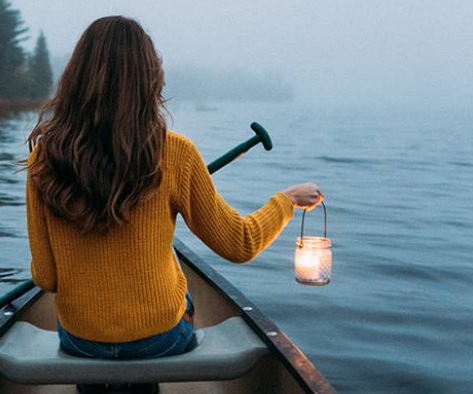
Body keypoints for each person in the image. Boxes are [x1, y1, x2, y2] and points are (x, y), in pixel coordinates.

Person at [24, 16, 323, 361]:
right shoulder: (176, 153)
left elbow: (46, 278)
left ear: (75, 79)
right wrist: (287, 201)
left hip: (81, 340)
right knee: (183, 295)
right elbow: (240, 244)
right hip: (158, 339)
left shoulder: (43, 160)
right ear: (149, 79)